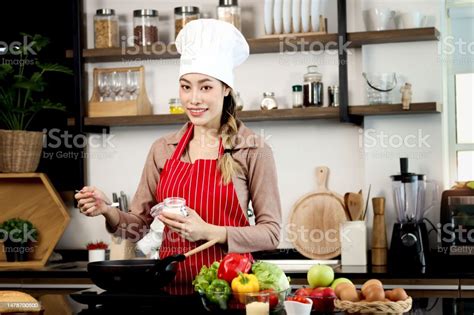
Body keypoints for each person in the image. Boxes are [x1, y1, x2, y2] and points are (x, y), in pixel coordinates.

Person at [75, 19, 282, 294]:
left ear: (226, 89)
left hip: (230, 292)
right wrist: (107, 211)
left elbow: (271, 234)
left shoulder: (252, 148)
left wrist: (210, 232)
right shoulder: (163, 149)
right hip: (168, 293)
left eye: (205, 87)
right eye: (186, 87)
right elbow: (138, 227)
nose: (193, 99)